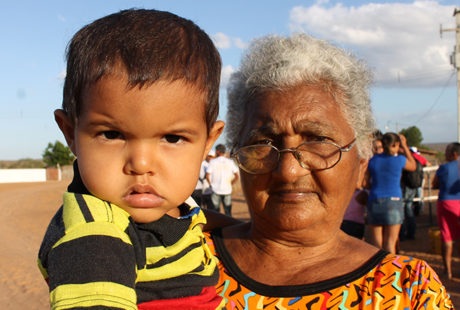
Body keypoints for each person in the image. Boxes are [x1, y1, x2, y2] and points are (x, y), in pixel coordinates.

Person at [206, 33, 453, 308]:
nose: (288, 172)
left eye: (318, 140)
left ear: (361, 161)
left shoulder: (408, 290)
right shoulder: (181, 260)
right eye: (263, 143)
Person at [37, 9, 226, 309]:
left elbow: (194, 218)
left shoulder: (169, 200)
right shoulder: (95, 240)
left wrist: (240, 228)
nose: (141, 164)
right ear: (70, 133)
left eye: (173, 138)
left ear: (208, 141)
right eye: (112, 135)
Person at [433, 142, 460, 280]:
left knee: (447, 236)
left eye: (447, 151)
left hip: (445, 202)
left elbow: (434, 184)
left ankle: (447, 271)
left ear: (453, 154)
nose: (445, 153)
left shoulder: (443, 168)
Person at [206, 144, 239, 216]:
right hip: (227, 190)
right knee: (228, 212)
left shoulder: (213, 162)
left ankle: (217, 226)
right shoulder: (230, 162)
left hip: (215, 190)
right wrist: (231, 184)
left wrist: (211, 185)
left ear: (217, 151)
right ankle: (229, 226)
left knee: (216, 213)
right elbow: (237, 176)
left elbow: (207, 175)